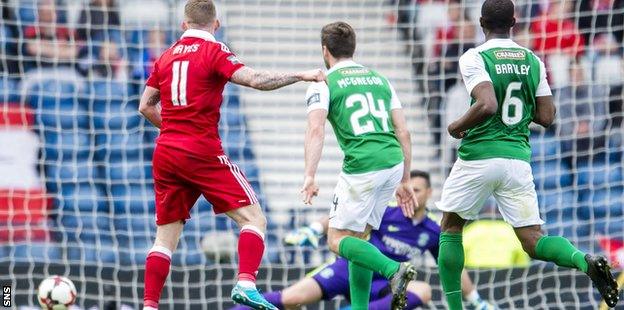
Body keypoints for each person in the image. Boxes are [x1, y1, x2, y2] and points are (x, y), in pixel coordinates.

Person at [138, 1, 325, 309]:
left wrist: (170, 129)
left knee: (164, 238)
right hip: (201, 149)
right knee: (254, 218)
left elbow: (145, 105)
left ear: (183, 25)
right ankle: (246, 283)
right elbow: (255, 80)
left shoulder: (166, 56)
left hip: (167, 152)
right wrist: (301, 75)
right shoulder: (215, 52)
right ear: (217, 24)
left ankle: (149, 305)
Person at [436, 0, 620, 309]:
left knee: (451, 228)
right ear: (515, 22)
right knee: (533, 240)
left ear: (481, 22)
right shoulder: (532, 60)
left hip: (479, 155)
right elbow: (548, 116)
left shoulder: (474, 57)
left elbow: (488, 104)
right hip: (517, 160)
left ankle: (455, 307)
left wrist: (457, 126)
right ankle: (584, 260)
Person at [230, 170, 498, 310]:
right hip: (348, 269)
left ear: (428, 192)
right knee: (291, 298)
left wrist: (474, 298)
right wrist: (314, 229)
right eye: (409, 189)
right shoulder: (387, 211)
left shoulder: (431, 229)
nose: (412, 195)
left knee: (424, 291)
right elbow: (345, 216)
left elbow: (451, 266)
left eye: (418, 190)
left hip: (383, 282)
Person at [300, 21, 418, 309]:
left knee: (336, 239)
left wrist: (310, 175)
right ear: (354, 48)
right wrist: (405, 179)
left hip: (363, 166)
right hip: (392, 162)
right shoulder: (380, 79)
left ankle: (394, 269)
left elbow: (316, 130)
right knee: (359, 237)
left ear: (324, 50)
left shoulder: (323, 82)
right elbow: (403, 131)